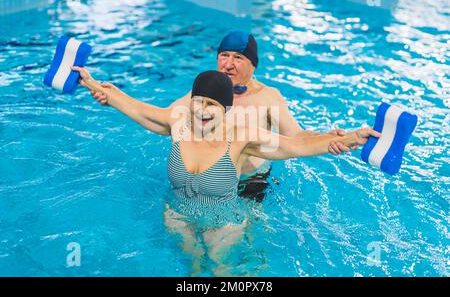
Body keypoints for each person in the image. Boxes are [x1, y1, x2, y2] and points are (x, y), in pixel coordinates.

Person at [72, 67, 380, 276]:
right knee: (192, 272)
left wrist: (348, 139)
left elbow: (292, 146)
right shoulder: (178, 122)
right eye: (198, 101)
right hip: (178, 215)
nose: (202, 110)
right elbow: (137, 108)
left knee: (222, 271)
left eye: (212, 105)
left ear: (226, 109)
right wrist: (92, 84)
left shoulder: (241, 136)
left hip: (223, 221)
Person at [89, 31, 354, 202]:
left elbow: (294, 138)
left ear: (253, 64)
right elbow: (167, 122)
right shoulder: (206, 91)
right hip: (203, 182)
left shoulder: (268, 97)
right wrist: (112, 97)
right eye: (223, 55)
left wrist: (327, 138)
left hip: (251, 183)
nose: (228, 63)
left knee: (245, 254)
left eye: (238, 57)